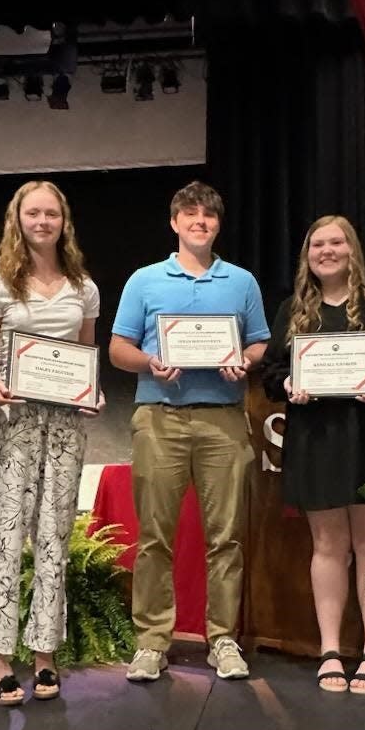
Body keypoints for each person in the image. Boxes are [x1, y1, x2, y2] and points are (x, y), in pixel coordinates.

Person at [109, 180, 269, 682]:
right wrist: (151, 363)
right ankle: (152, 641)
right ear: (175, 222)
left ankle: (222, 639)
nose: (200, 222)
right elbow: (117, 350)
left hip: (224, 419)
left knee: (227, 538)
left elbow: (261, 343)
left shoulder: (241, 282)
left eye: (209, 216)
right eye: (191, 215)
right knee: (155, 537)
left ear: (218, 224)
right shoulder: (144, 280)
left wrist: (243, 359)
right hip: (160, 418)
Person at [261, 215, 365, 694]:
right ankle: (331, 649)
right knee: (328, 547)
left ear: (352, 248)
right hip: (317, 439)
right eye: (318, 244)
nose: (327, 251)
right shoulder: (294, 308)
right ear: (307, 255)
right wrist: (290, 384)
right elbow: (273, 371)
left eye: (337, 242)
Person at [0, 181, 103, 706]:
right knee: (3, 535)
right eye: (33, 213)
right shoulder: (0, 285)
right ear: (17, 220)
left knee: (53, 535)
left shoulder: (83, 287)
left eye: (51, 213)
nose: (43, 222)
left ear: (63, 221)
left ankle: (45, 652)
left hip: (65, 423)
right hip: (11, 420)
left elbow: (86, 356)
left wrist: (92, 393)